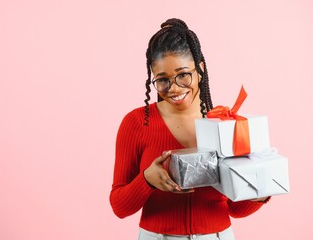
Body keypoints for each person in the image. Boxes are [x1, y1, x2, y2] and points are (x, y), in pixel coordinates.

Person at [110, 18, 270, 240]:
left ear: (200, 69)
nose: (174, 88)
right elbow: (119, 206)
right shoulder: (137, 123)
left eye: (183, 74)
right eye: (163, 80)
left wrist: (261, 193)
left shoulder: (225, 123)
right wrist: (146, 180)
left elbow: (235, 209)